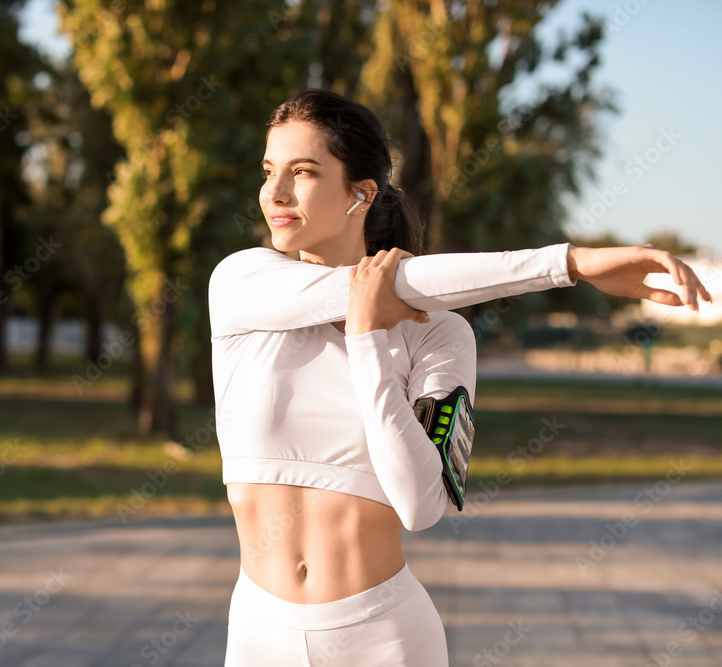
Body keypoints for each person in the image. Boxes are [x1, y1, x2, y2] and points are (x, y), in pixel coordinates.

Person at [208, 88, 711, 666]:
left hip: (385, 638)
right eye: (269, 171)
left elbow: (422, 507)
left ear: (361, 193)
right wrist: (572, 263)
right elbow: (387, 286)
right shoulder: (240, 284)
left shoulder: (439, 333)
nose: (275, 193)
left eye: (303, 172)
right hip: (258, 634)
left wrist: (369, 341)